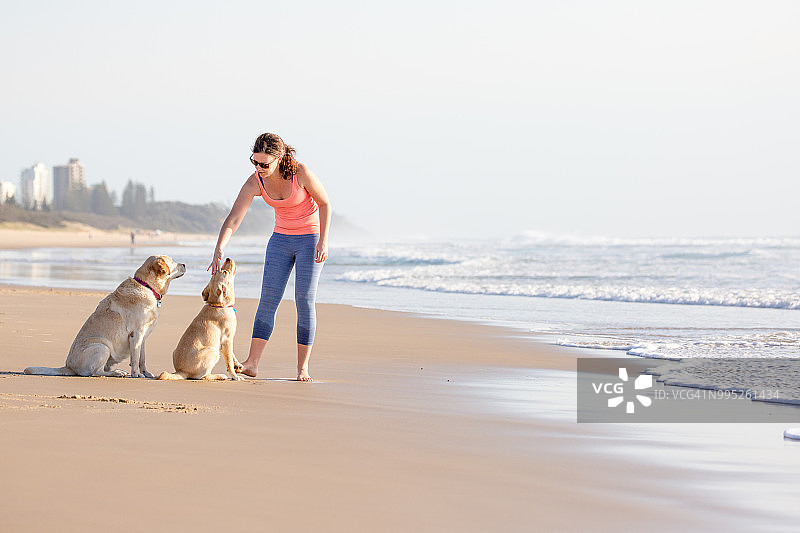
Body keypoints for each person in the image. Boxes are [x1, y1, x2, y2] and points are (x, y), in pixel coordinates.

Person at [208, 133, 331, 381]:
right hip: (280, 241)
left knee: (304, 300)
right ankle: (252, 363)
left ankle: (302, 368)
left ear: (279, 158)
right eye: (255, 162)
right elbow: (234, 217)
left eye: (265, 164)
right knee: (268, 300)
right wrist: (220, 247)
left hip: (309, 240)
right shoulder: (256, 181)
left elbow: (325, 204)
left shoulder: (301, 173)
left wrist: (323, 241)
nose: (259, 168)